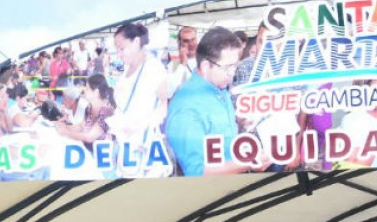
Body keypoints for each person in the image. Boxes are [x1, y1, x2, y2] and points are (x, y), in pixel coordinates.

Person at [166, 27, 266, 177]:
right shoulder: (186, 108)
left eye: (235, 66)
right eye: (227, 68)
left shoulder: (219, 85)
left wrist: (238, 121)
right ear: (206, 66)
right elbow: (196, 171)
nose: (232, 74)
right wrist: (250, 163)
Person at [110, 23, 171, 178]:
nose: (118, 53)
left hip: (146, 145)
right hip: (126, 144)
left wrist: (139, 125)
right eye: (116, 48)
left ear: (136, 42)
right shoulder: (126, 70)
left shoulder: (153, 68)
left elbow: (165, 105)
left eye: (121, 48)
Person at [167, 26, 199, 98]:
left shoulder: (207, 61)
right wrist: (182, 64)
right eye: (186, 41)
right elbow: (168, 93)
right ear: (179, 43)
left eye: (193, 39)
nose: (191, 44)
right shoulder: (173, 65)